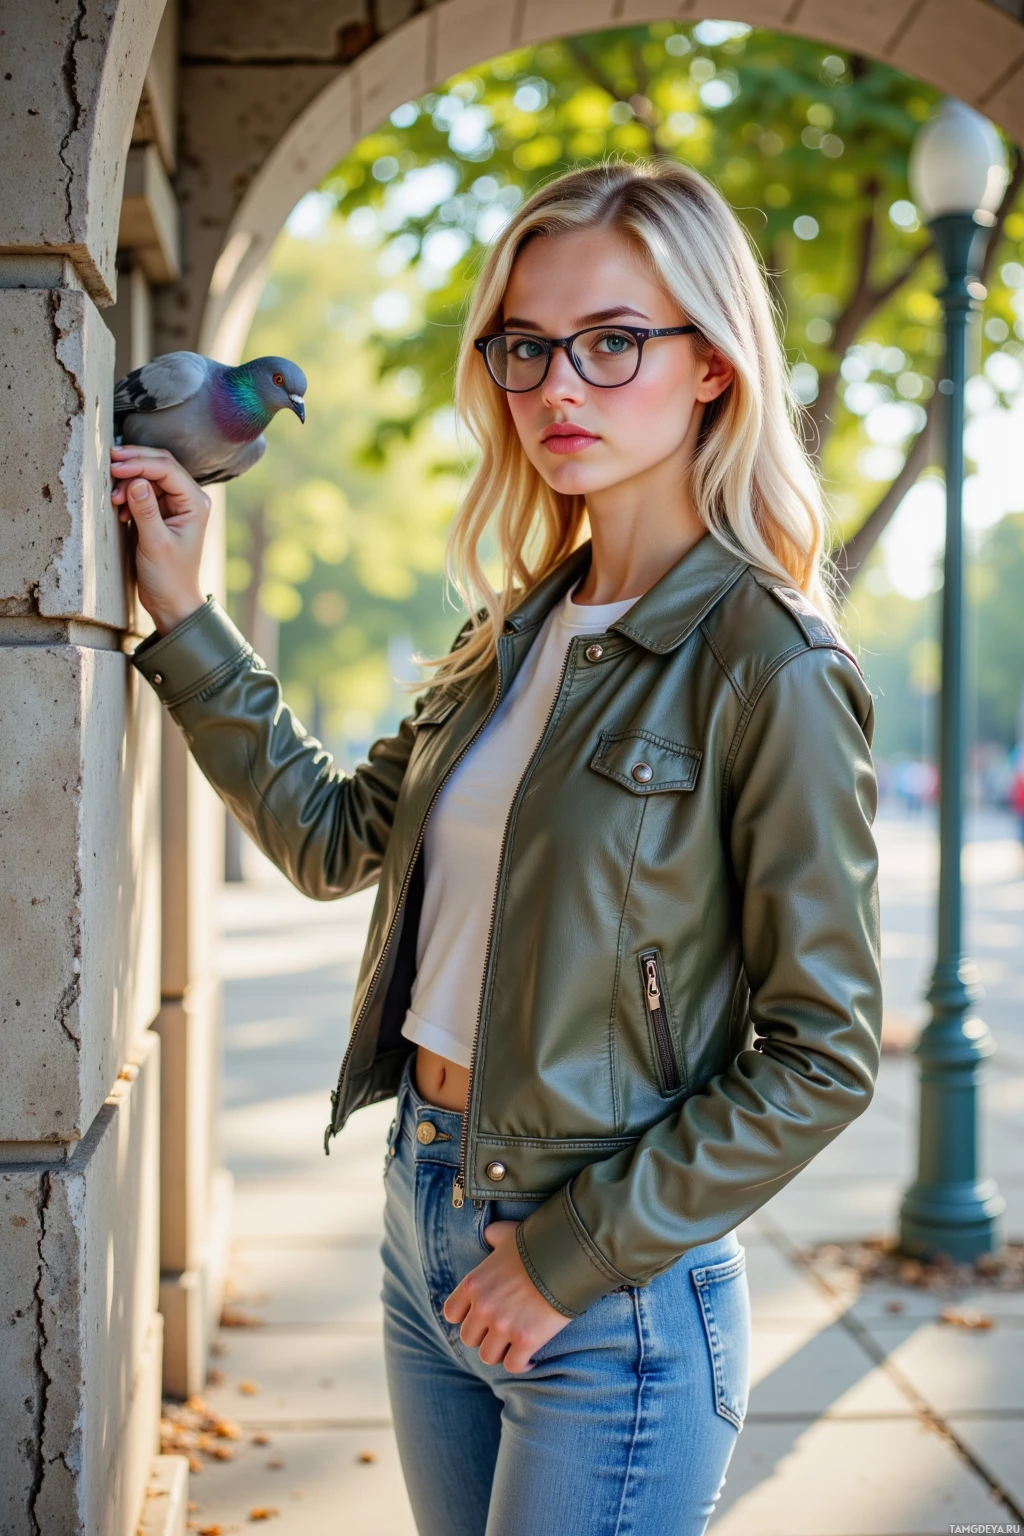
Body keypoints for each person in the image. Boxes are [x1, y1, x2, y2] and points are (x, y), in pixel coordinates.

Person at [113, 160, 882, 1536]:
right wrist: (184, 615)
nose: (556, 388)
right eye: (525, 347)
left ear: (712, 366)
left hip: (605, 1284)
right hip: (426, 1215)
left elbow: (822, 1052)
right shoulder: (508, 637)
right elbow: (334, 840)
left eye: (611, 342)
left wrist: (570, 1256)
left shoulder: (769, 664)